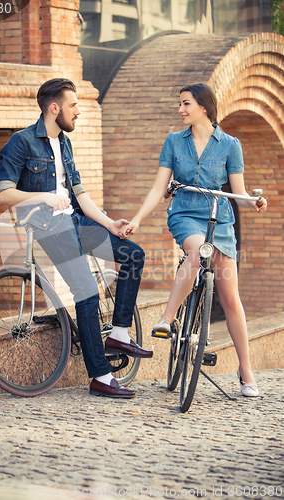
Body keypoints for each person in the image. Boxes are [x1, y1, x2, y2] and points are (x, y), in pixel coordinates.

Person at [0, 78, 153, 399]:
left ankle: (120, 333)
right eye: (73, 105)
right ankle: (100, 375)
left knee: (133, 254)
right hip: (48, 227)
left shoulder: (64, 143)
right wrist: (41, 199)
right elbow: (3, 192)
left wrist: (110, 223)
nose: (78, 112)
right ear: (55, 109)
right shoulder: (22, 142)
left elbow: (79, 193)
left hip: (76, 223)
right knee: (86, 289)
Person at [121, 83, 267, 397]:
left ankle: (246, 370)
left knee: (230, 299)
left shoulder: (230, 144)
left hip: (220, 218)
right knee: (197, 252)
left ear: (203, 107)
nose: (180, 109)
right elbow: (159, 187)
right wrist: (137, 219)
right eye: (180, 104)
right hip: (186, 213)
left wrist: (252, 202)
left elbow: (238, 193)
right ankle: (167, 319)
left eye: (185, 104)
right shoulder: (174, 141)